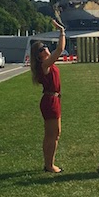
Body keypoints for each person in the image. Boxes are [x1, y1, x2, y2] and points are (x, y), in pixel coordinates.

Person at [30, 20, 66, 173]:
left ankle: (49, 163)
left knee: (54, 134)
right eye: (43, 48)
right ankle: (49, 165)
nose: (46, 49)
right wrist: (62, 31)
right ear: (39, 56)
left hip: (53, 99)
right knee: (52, 135)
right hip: (50, 101)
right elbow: (60, 49)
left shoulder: (47, 65)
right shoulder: (45, 64)